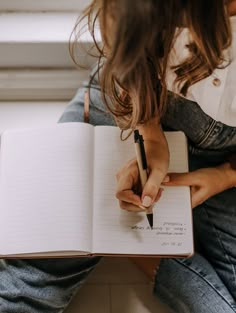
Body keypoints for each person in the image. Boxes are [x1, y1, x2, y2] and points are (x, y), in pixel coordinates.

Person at [0, 0, 236, 312]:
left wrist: (225, 175)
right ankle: (128, 237)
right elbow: (129, 69)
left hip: (226, 158)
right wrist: (149, 133)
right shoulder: (134, 15)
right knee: (34, 273)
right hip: (129, 107)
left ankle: (134, 246)